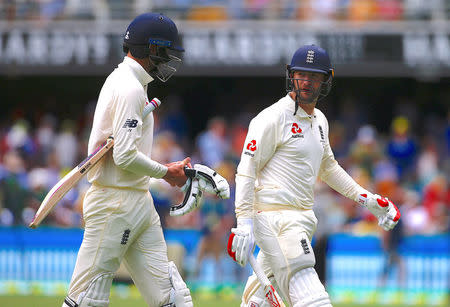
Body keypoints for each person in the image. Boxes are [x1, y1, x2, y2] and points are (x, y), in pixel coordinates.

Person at [227, 45, 401, 307]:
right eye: (301, 74)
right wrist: (244, 222)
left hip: (300, 220)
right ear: (291, 75)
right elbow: (246, 170)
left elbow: (328, 167)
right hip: (277, 221)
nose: (306, 82)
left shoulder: (319, 120)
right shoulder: (272, 118)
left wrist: (368, 200)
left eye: (314, 76)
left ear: (326, 80)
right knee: (314, 300)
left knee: (256, 303)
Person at [62, 13, 193, 307]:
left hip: (138, 201)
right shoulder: (128, 87)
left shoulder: (136, 83)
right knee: (86, 299)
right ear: (151, 49)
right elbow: (123, 155)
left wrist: (157, 176)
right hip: (114, 202)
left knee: (171, 298)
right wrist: (166, 172)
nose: (169, 58)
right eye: (165, 51)